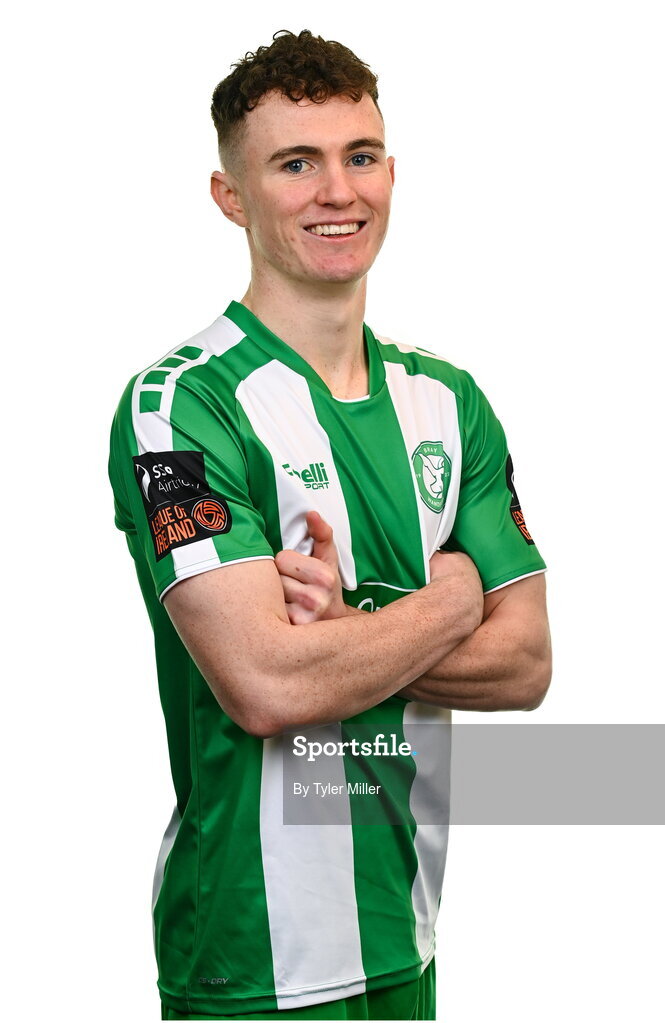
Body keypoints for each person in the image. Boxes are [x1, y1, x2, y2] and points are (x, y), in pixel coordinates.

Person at [108, 28, 551, 1021]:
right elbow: (263, 685)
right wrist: (452, 597)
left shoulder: (448, 400)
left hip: (404, 927)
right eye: (294, 163)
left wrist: (346, 628)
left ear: (390, 171)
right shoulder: (178, 408)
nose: (335, 192)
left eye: (358, 157)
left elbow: (523, 666)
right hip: (249, 949)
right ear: (232, 196)